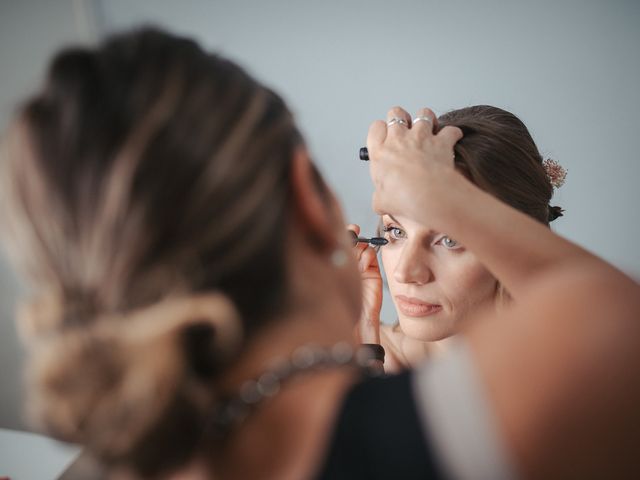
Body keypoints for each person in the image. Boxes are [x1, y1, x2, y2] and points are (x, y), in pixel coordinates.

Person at [1, 27, 639, 479]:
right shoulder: (454, 424)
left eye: (447, 234)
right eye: (393, 229)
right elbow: (619, 328)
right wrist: (438, 201)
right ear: (309, 198)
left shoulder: (118, 460)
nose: (405, 268)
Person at [353, 105, 569, 371]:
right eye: (397, 232)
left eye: (450, 240)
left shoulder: (575, 374)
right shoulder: (347, 357)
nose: (405, 273)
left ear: (518, 241)